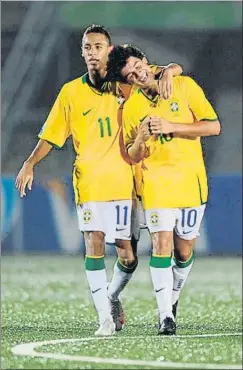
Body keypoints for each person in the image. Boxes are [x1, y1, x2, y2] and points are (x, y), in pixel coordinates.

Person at [15, 25, 183, 336]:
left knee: (128, 256)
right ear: (82, 53)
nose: (93, 52)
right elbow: (51, 135)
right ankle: (104, 318)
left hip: (124, 182)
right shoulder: (70, 93)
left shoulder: (124, 85)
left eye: (98, 47)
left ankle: (112, 296)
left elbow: (155, 72)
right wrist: (29, 163)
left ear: (109, 50)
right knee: (93, 244)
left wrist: (171, 69)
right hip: (89, 180)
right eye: (87, 47)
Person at [106, 44, 221, 335]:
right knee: (161, 247)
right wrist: (142, 139)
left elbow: (213, 126)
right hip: (156, 184)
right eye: (129, 75)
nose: (137, 74)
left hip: (191, 182)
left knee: (184, 253)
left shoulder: (184, 86)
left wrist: (172, 126)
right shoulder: (132, 107)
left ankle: (172, 299)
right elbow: (132, 154)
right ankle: (164, 316)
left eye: (136, 66)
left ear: (145, 60)